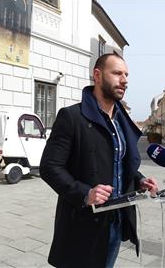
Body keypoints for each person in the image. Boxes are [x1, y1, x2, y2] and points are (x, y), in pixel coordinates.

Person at [40, 53, 158, 268]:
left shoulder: (121, 122)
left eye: (126, 75)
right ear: (97, 75)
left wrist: (139, 179)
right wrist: (85, 193)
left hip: (116, 220)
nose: (124, 80)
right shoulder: (72, 117)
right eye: (117, 73)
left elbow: (119, 162)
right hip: (83, 223)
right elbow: (49, 167)